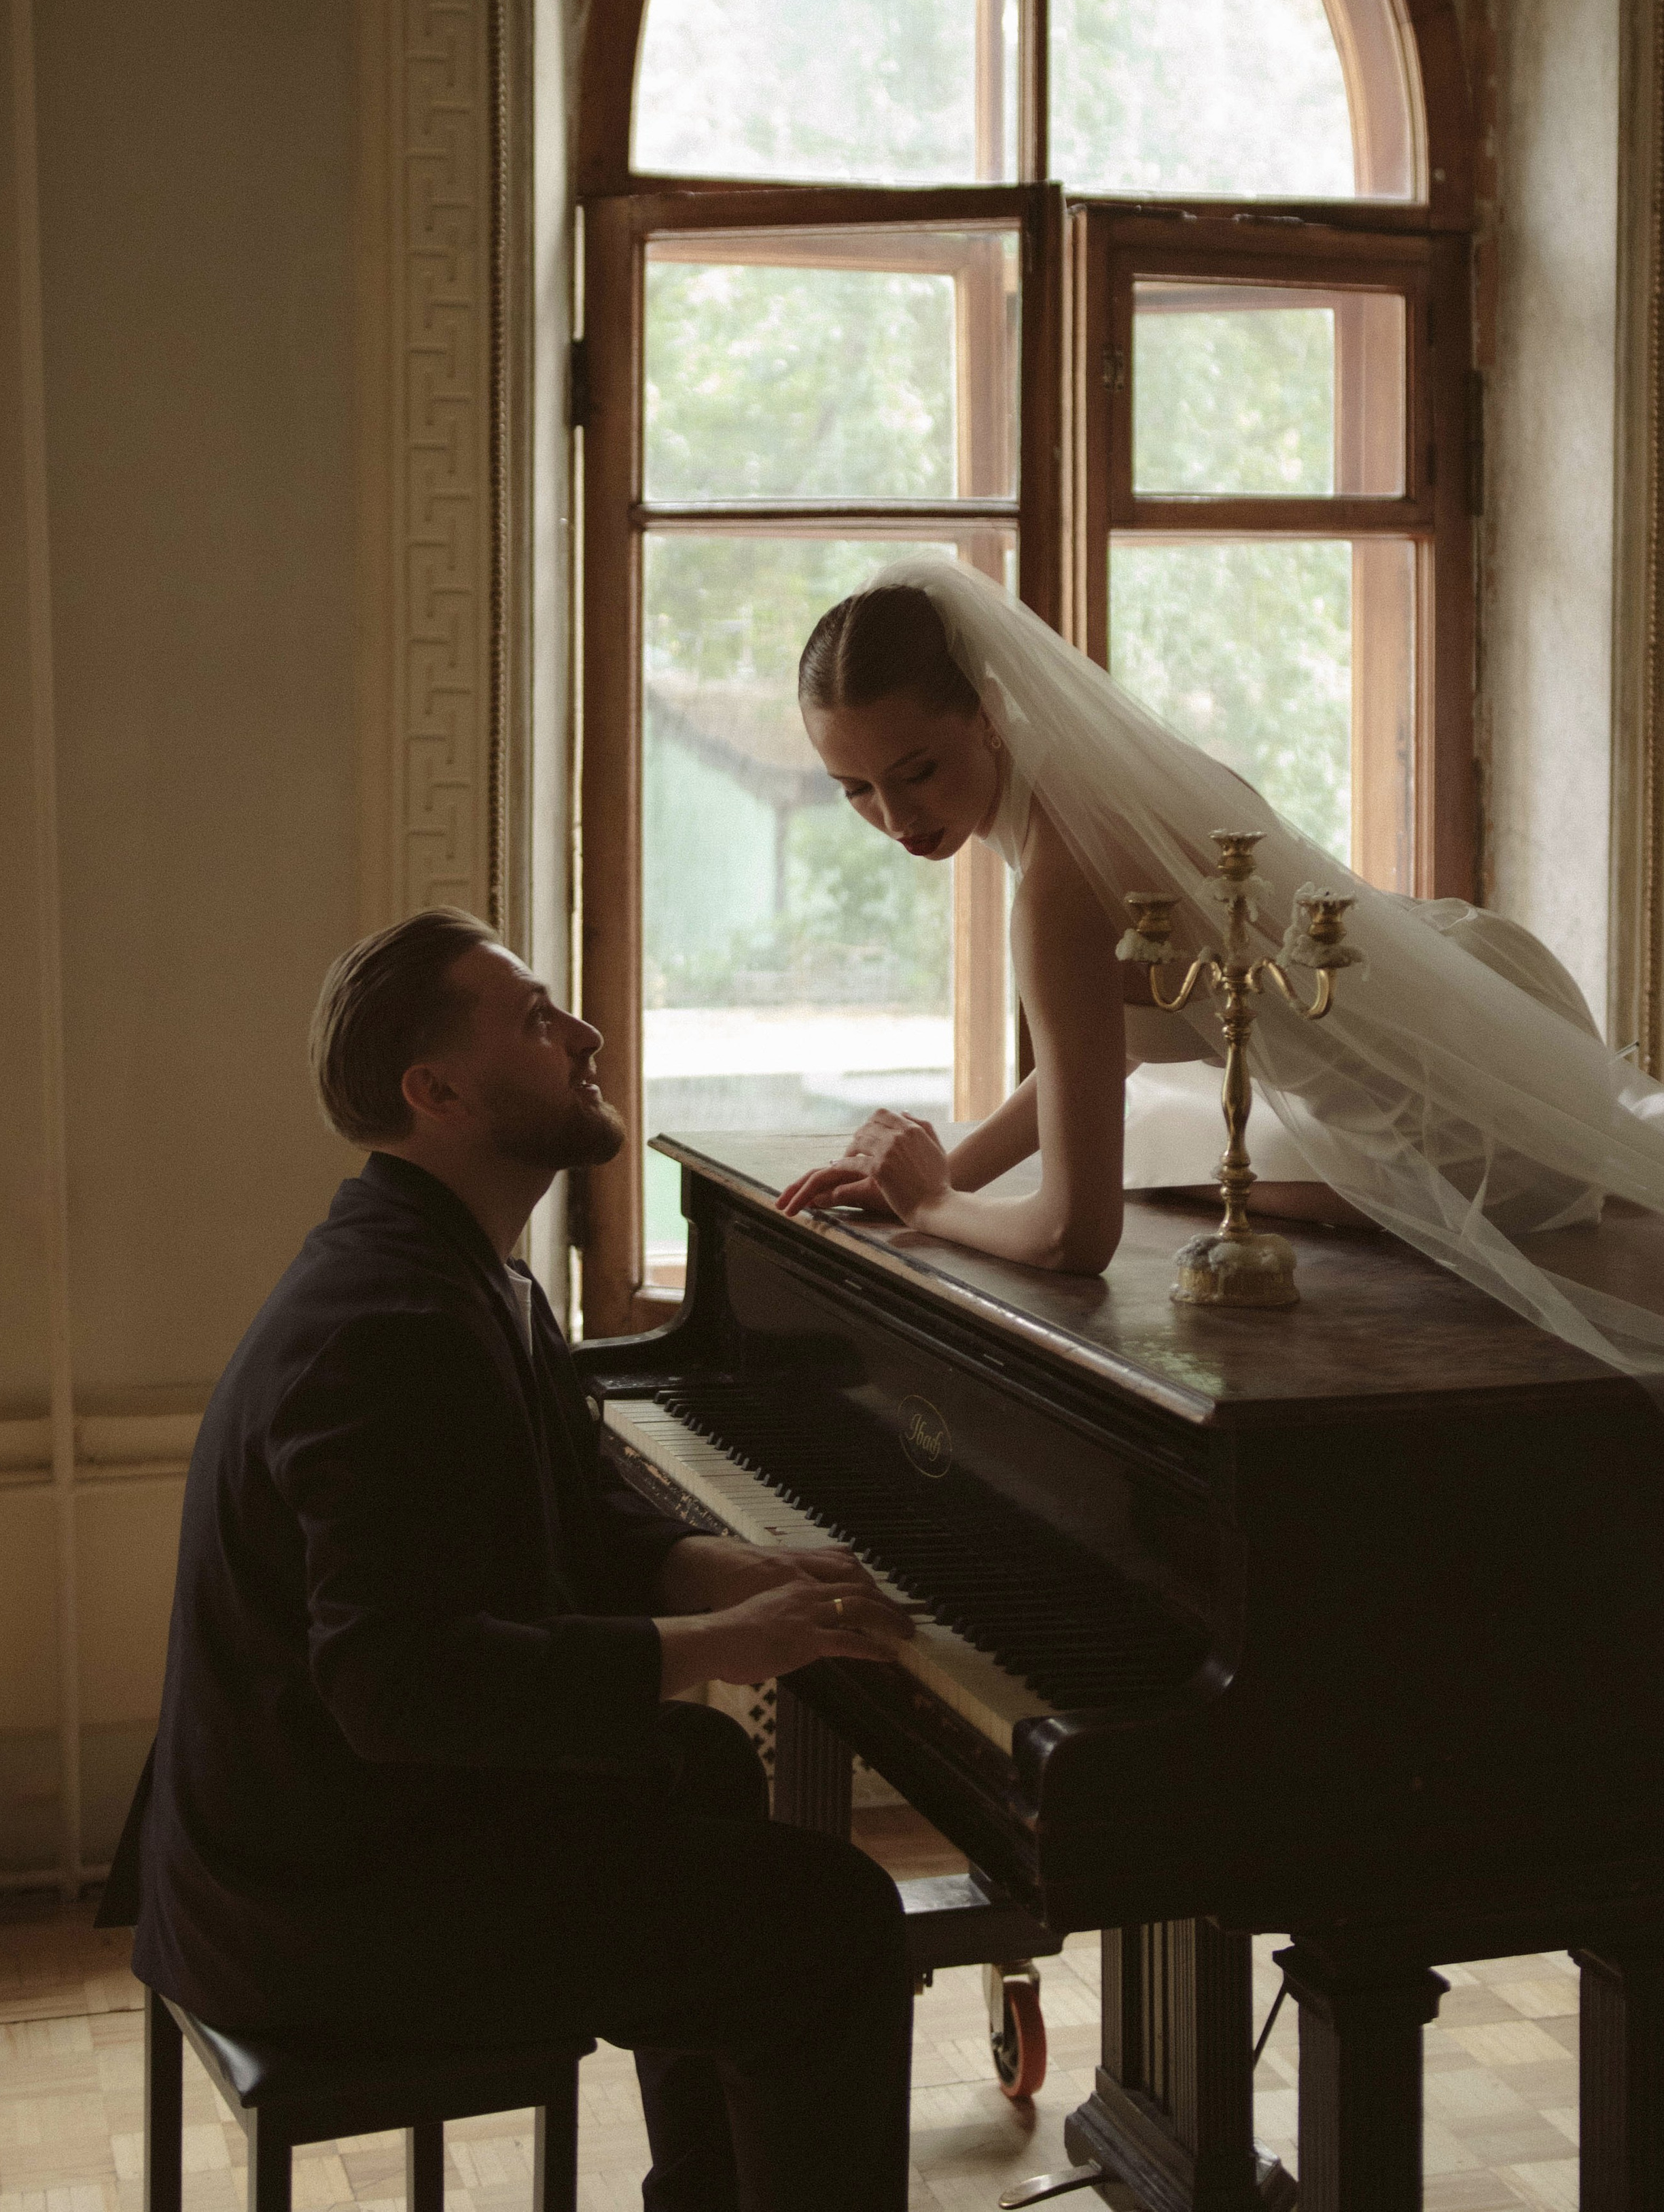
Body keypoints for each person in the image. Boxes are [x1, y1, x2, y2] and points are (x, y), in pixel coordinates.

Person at [103, 907, 915, 2212]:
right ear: (436, 1092)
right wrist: (712, 1649)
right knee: (835, 1930)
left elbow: (578, 1509)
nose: (585, 1034)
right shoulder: (391, 1325)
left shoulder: (454, 1265)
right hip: (324, 1912)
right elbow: (398, 1685)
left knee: (699, 1762)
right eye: (536, 1020)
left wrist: (718, 1573)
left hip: (327, 1838)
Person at [775, 557, 1664, 1392]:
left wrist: (930, 1201)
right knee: (1168, 1143)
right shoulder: (1084, 781)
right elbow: (1102, 1042)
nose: (895, 817)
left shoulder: (1058, 883)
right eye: (853, 787)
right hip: (1493, 987)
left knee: (1160, 1166)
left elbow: (1071, 1239)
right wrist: (954, 1171)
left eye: (916, 771)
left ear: (989, 709)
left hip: (1480, 1131)